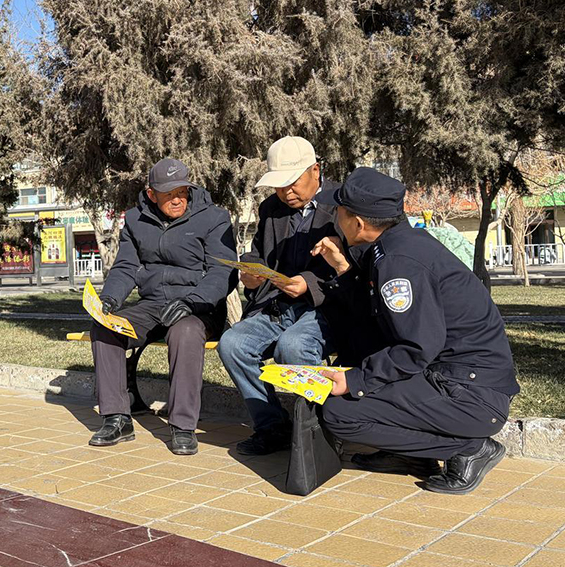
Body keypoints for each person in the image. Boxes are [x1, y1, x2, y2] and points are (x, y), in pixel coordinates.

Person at [315, 167, 519, 495]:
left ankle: (470, 449)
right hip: (456, 380)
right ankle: (410, 454)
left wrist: (355, 380)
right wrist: (343, 267)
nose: (335, 218)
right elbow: (379, 322)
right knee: (360, 373)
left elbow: (416, 347)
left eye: (339, 210)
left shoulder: (399, 262)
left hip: (470, 395)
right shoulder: (398, 245)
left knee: (340, 414)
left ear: (359, 223)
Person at [90, 159, 237, 455]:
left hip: (200, 307)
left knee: (185, 333)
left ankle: (182, 425)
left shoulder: (214, 217)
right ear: (152, 194)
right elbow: (126, 267)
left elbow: (223, 272)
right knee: (104, 328)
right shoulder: (136, 219)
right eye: (169, 194)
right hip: (153, 305)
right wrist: (109, 299)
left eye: (182, 191)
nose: (178, 199)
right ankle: (117, 418)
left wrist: (191, 302)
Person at [217, 136, 340, 455]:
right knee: (233, 344)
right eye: (279, 185)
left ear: (315, 171)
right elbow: (260, 253)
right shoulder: (271, 208)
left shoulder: (341, 205)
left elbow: (352, 264)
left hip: (327, 307)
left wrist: (308, 283)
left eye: (292, 182)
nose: (286, 192)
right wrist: (251, 273)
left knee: (294, 346)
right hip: (278, 304)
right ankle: (272, 426)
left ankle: (323, 428)